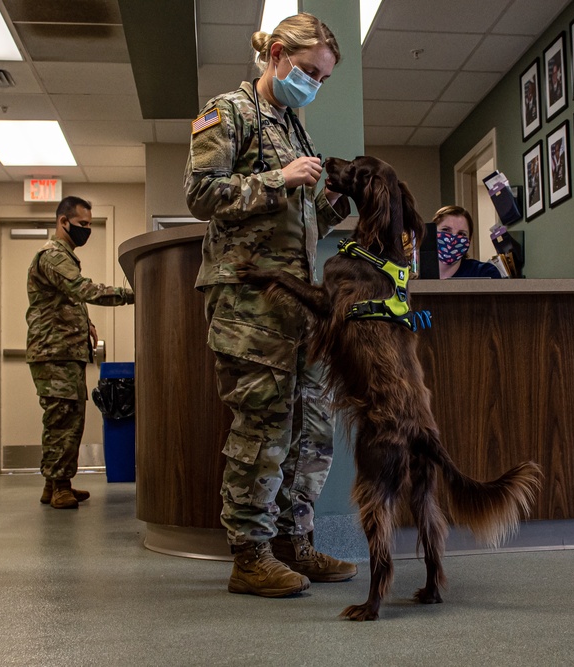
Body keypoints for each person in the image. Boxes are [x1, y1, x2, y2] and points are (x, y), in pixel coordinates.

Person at [184, 13, 357, 598]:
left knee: (312, 428)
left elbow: (299, 218)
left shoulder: (294, 126)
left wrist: (336, 203)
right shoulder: (227, 112)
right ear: (277, 54)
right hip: (248, 302)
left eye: (322, 79)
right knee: (261, 428)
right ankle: (250, 554)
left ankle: (294, 543)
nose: (313, 84)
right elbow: (201, 193)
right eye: (308, 71)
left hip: (299, 306)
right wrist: (279, 178)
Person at [25, 196, 134, 509]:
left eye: (89, 224)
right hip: (54, 352)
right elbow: (83, 289)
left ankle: (55, 484)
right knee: (63, 419)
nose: (87, 230)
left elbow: (65, 299)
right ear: (63, 222)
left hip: (63, 350)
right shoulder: (53, 255)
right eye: (82, 224)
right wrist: (130, 294)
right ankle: (59, 484)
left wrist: (86, 322)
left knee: (66, 417)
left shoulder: (63, 256)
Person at [434, 206, 503, 279]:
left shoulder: (484, 273)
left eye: (461, 234)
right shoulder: (420, 274)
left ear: (469, 240)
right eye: (446, 230)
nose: (453, 239)